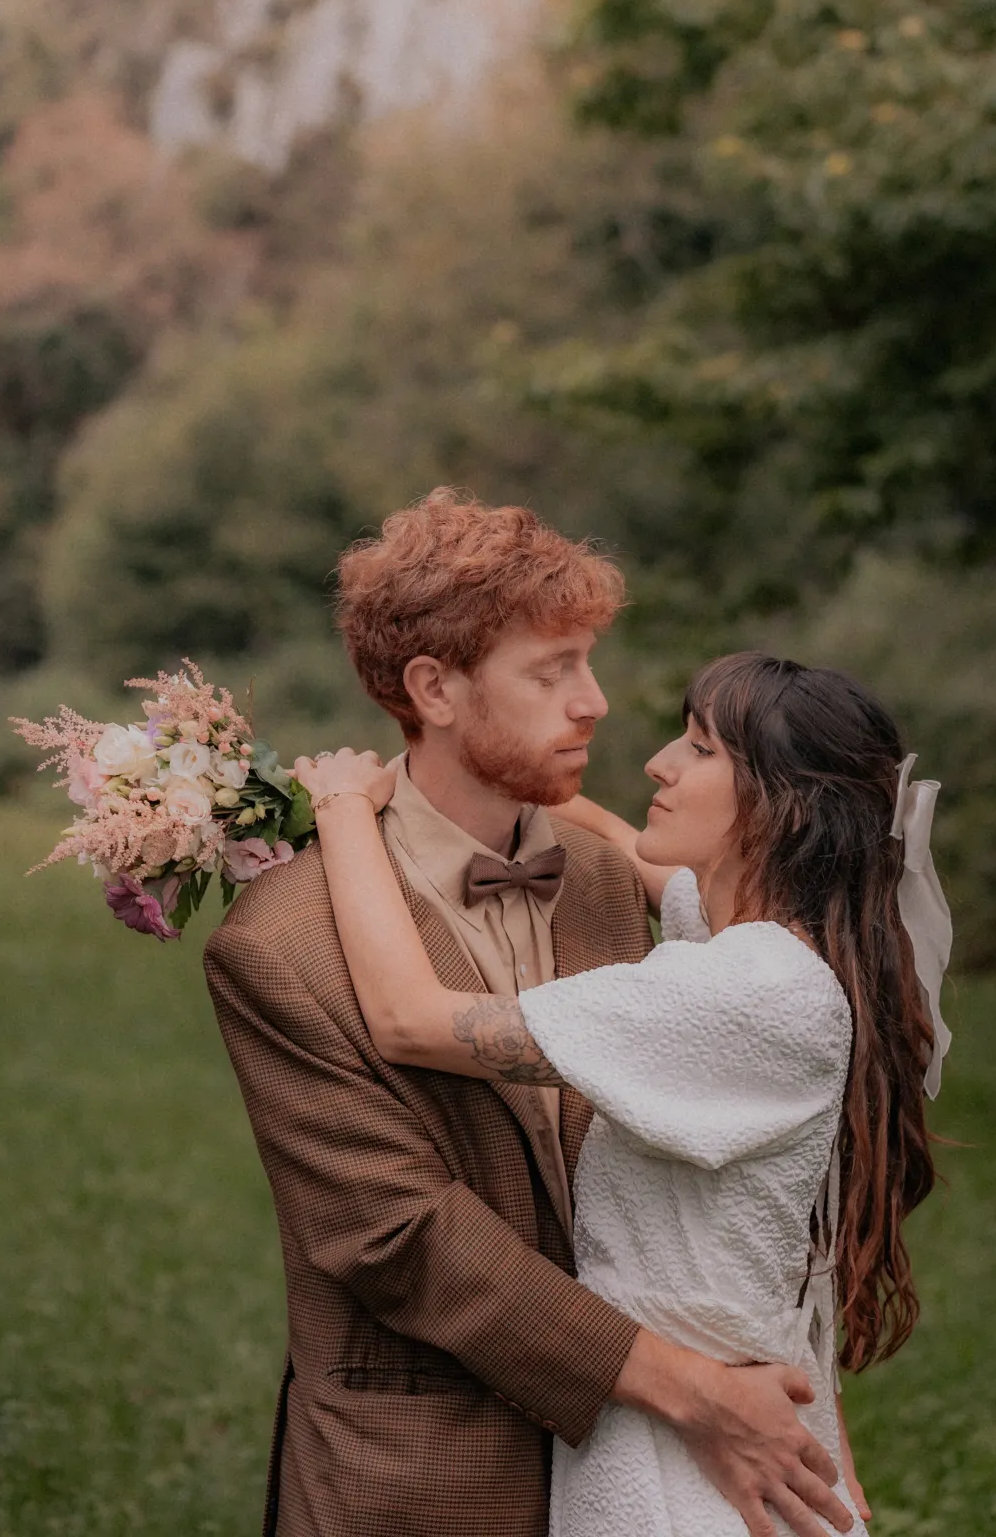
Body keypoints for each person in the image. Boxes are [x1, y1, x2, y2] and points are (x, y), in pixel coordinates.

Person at [205, 491, 856, 1537]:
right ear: (435, 689)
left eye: (587, 662)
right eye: (551, 672)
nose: (594, 703)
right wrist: (691, 1390)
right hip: (424, 1476)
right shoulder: (279, 947)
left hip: (659, 1468)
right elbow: (400, 1238)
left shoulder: (620, 881)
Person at [295, 648, 951, 1536]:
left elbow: (410, 1020)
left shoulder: (747, 994)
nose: (658, 764)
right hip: (698, 1393)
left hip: (684, 1443)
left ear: (781, 804)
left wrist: (340, 809)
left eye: (700, 749)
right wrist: (503, 756)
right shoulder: (776, 947)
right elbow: (627, 846)